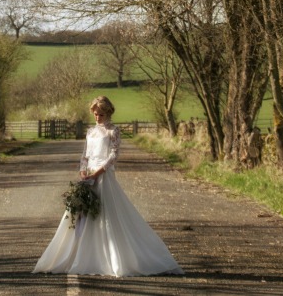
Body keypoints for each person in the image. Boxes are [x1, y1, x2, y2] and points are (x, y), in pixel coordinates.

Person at [33, 95, 184, 277]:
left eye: (101, 114)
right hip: (88, 178)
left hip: (104, 177)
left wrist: (97, 173)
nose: (98, 118)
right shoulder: (90, 132)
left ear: (108, 113)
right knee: (80, 216)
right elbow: (85, 155)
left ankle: (110, 258)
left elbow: (113, 156)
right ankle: (75, 256)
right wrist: (83, 172)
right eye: (95, 114)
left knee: (107, 215)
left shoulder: (114, 131)